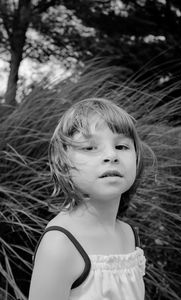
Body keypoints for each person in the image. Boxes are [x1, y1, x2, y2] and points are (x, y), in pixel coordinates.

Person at [28, 97, 152, 300]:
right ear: (63, 163)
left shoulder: (128, 234)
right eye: (89, 147)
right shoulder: (60, 244)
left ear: (137, 159)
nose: (111, 155)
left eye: (121, 147)